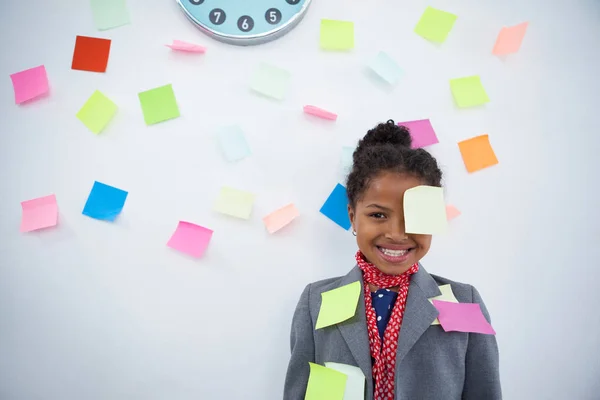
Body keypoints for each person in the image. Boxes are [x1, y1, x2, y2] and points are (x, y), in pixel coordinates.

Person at [283, 120, 501, 400]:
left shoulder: (465, 301)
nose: (398, 234)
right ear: (352, 216)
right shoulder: (316, 301)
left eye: (416, 216)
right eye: (378, 215)